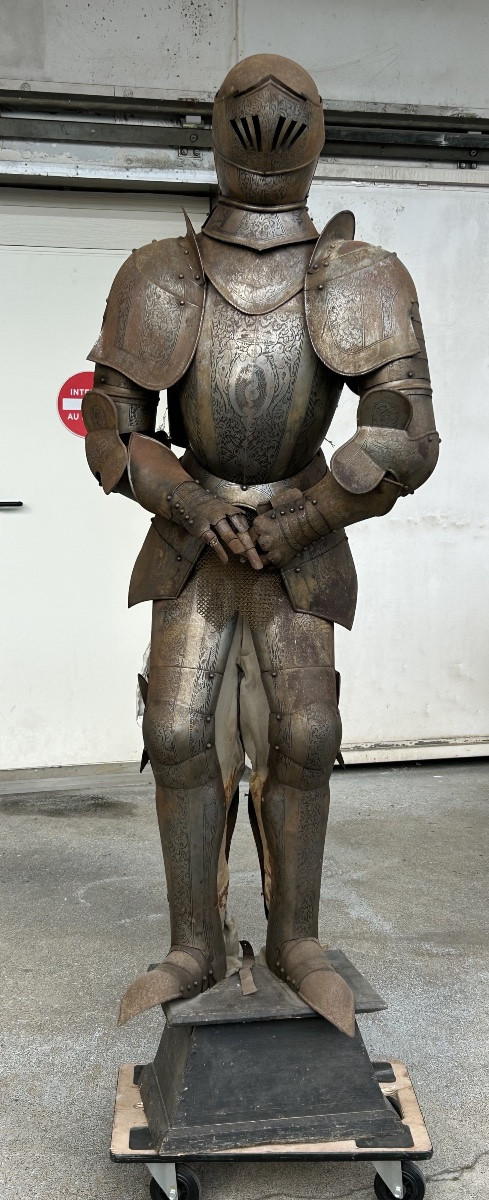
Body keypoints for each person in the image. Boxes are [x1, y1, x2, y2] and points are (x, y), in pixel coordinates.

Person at [82, 54, 438, 1037]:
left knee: (307, 737)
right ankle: (194, 944)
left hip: (299, 524)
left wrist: (308, 514)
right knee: (177, 733)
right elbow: (113, 422)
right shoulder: (159, 273)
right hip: (195, 524)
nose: (272, 128)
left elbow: (403, 431)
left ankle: (299, 940)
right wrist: (189, 502)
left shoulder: (357, 277)